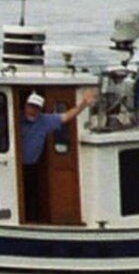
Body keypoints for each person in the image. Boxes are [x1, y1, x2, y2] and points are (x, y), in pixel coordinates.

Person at [20, 89, 96, 221]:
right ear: (25, 106)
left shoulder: (44, 121)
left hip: (33, 167)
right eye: (31, 106)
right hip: (16, 167)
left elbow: (66, 116)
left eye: (36, 108)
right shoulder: (15, 119)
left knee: (33, 196)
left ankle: (32, 220)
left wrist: (83, 103)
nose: (33, 110)